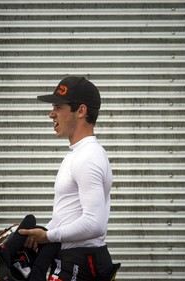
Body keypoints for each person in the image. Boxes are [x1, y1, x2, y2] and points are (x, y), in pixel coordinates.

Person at [19, 76, 120, 281]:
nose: (51, 114)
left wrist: (48, 236)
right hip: (71, 259)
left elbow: (94, 224)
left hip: (81, 263)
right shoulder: (78, 154)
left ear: (81, 111)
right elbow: (70, 214)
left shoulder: (88, 157)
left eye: (58, 106)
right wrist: (42, 232)